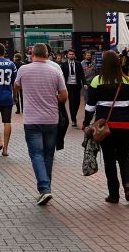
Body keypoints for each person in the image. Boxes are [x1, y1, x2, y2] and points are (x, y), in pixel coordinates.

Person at [14, 43, 67, 205]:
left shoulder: (23, 70)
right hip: (51, 119)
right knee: (48, 155)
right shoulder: (55, 71)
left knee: (36, 154)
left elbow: (16, 86)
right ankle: (47, 187)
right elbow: (64, 95)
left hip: (32, 119)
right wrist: (52, 100)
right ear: (47, 54)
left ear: (32, 54)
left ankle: (44, 188)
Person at [84, 50, 129, 203]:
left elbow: (90, 107)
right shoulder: (127, 81)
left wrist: (85, 123)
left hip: (106, 128)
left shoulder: (97, 80)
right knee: (124, 157)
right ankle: (128, 186)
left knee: (109, 160)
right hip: (125, 126)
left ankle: (114, 194)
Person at [60, 49, 85, 129]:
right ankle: (73, 119)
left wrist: (84, 83)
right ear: (67, 55)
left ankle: (74, 115)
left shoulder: (78, 64)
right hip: (68, 86)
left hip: (76, 85)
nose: (71, 55)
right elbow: (61, 76)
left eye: (72, 54)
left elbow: (82, 75)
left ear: (74, 55)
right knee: (71, 102)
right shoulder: (63, 65)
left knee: (77, 102)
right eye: (70, 54)